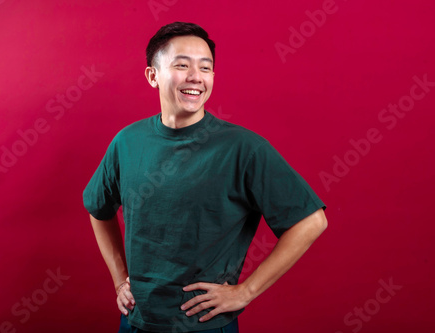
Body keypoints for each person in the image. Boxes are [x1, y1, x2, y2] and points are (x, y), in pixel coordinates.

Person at [83, 21, 328, 333]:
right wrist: (120, 280)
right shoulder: (127, 142)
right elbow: (98, 208)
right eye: (182, 65)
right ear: (152, 76)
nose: (195, 77)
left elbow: (311, 221)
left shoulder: (243, 149)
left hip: (205, 325)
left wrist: (246, 291)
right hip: (135, 320)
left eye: (205, 67)